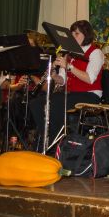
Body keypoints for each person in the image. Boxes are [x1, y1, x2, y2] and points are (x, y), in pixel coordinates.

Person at [30, 20, 103, 148]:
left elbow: (90, 79)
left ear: (86, 35)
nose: (73, 37)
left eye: (77, 34)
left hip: (90, 95)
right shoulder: (69, 54)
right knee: (36, 103)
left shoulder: (95, 52)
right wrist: (54, 75)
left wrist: (69, 66)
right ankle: (47, 138)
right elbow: (62, 80)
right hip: (72, 94)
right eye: (72, 34)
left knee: (56, 104)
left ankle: (54, 145)